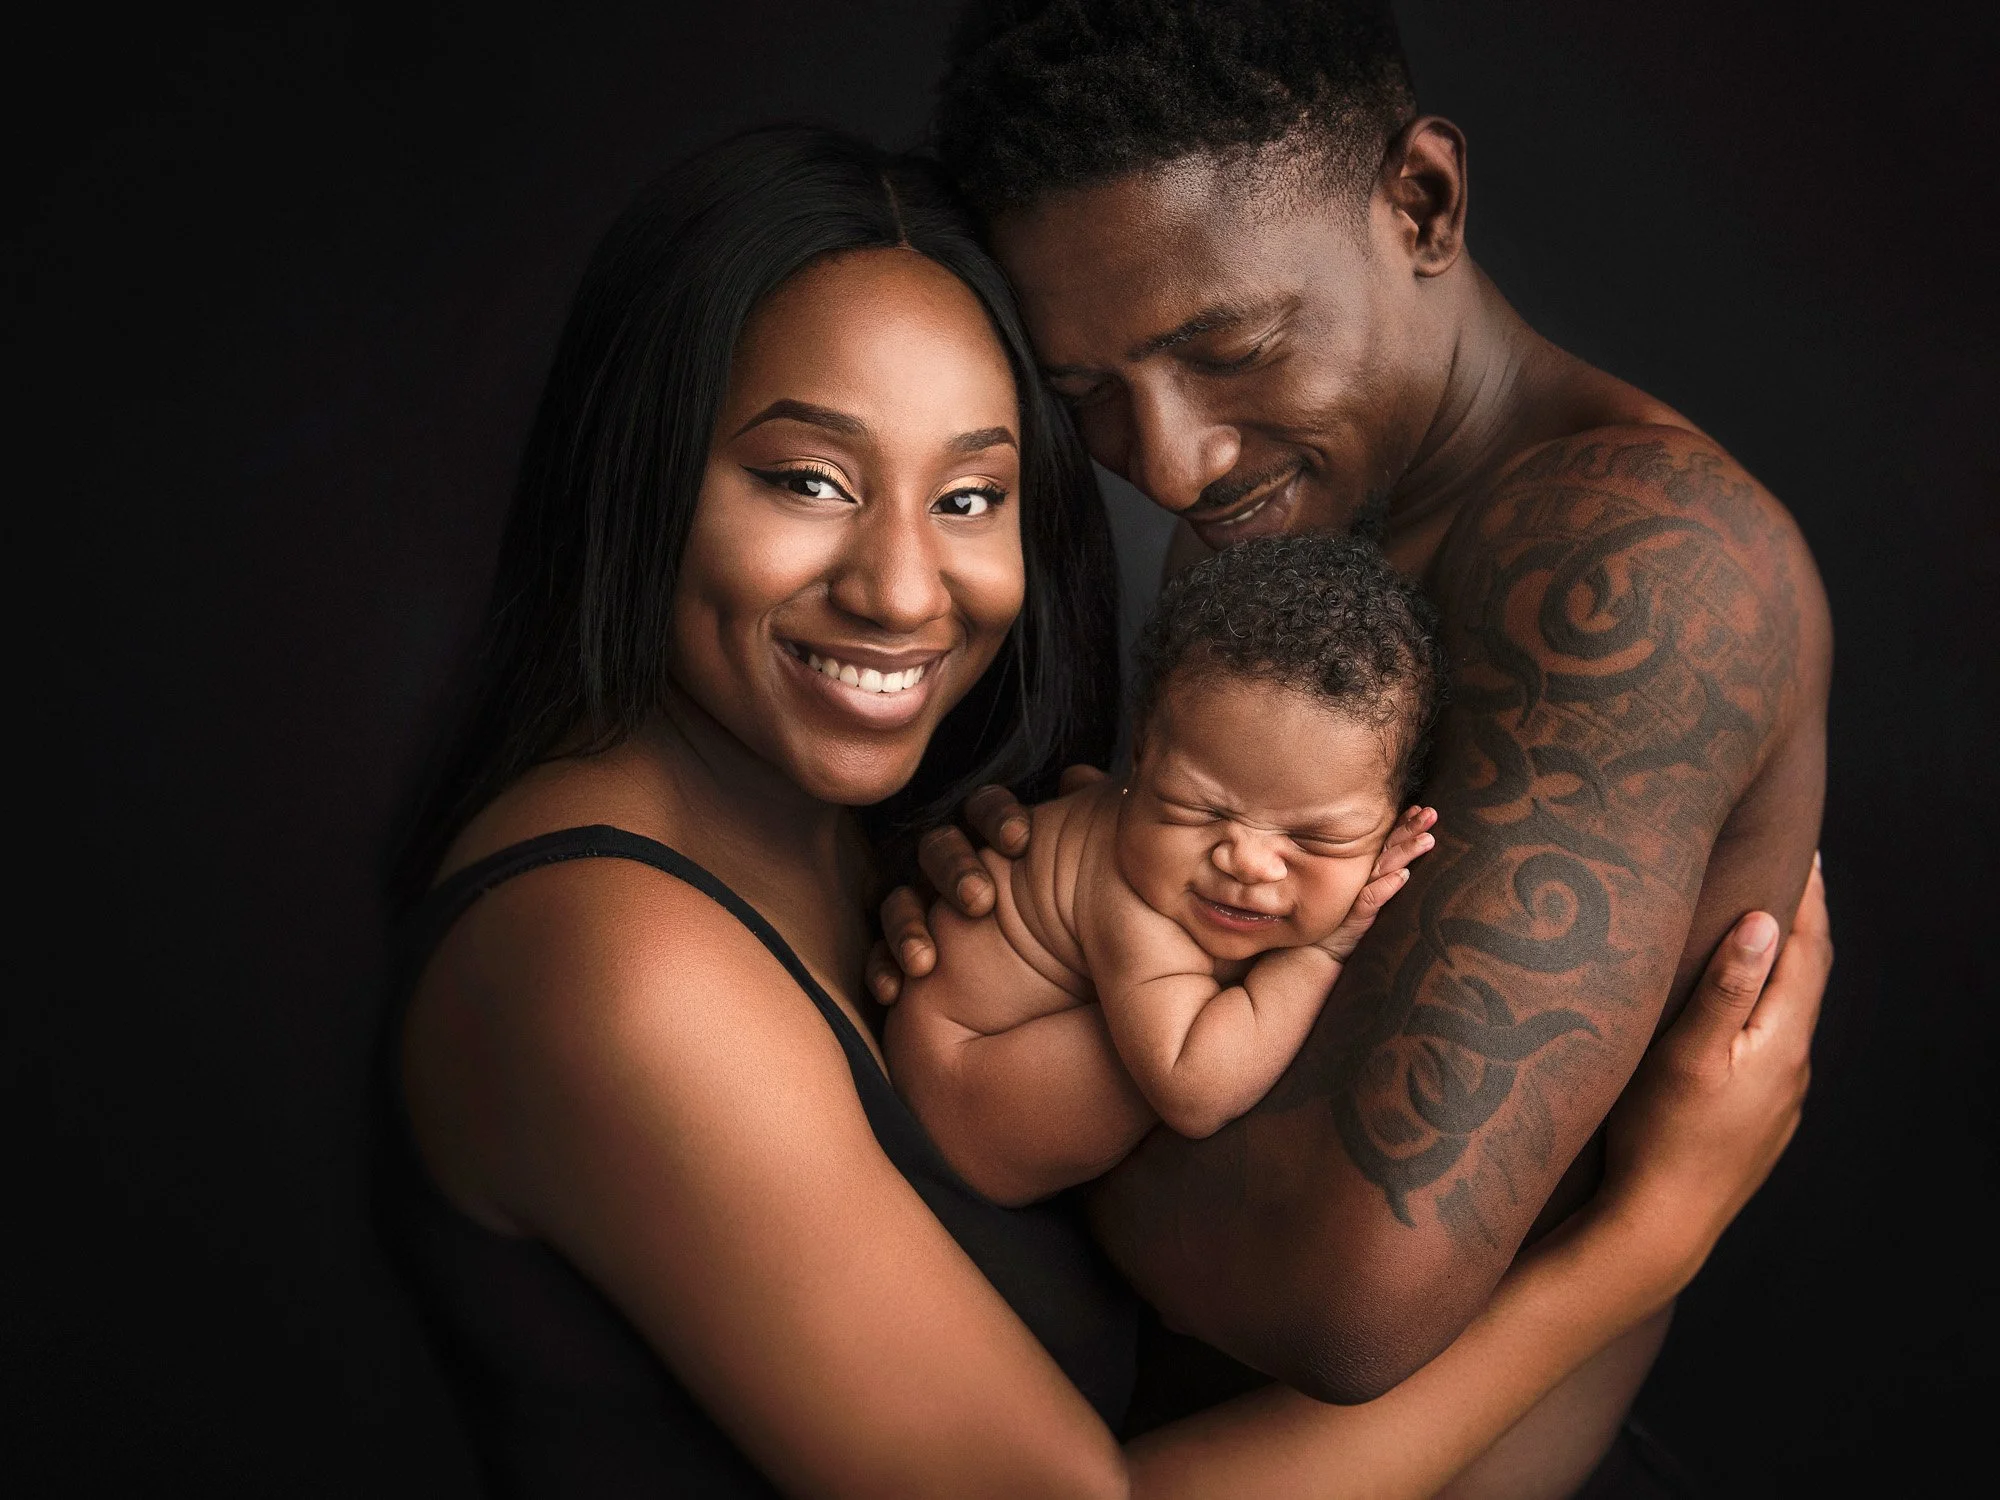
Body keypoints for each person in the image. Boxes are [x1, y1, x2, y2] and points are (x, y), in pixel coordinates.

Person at [380, 124, 1828, 1497]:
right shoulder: (612, 969)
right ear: (644, 470)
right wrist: (1640, 1246)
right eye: (806, 480)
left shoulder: (855, 826)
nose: (899, 589)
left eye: (970, 498)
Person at [872, 0, 1834, 1482]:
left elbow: (1339, 1295)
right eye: (1089, 403)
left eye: (1232, 348)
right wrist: (1058, 914)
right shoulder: (1278, 533)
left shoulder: (1645, 565)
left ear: (1422, 203)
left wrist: (986, 1085)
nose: (1174, 463)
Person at [888, 535, 1444, 1202]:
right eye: (1196, 807)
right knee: (1180, 1056)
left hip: (974, 1051)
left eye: (1316, 839)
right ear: (1140, 761)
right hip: (965, 1096)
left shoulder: (1164, 851)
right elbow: (1194, 1090)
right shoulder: (1132, 898)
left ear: (1395, 820)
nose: (1246, 860)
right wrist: (1321, 951)